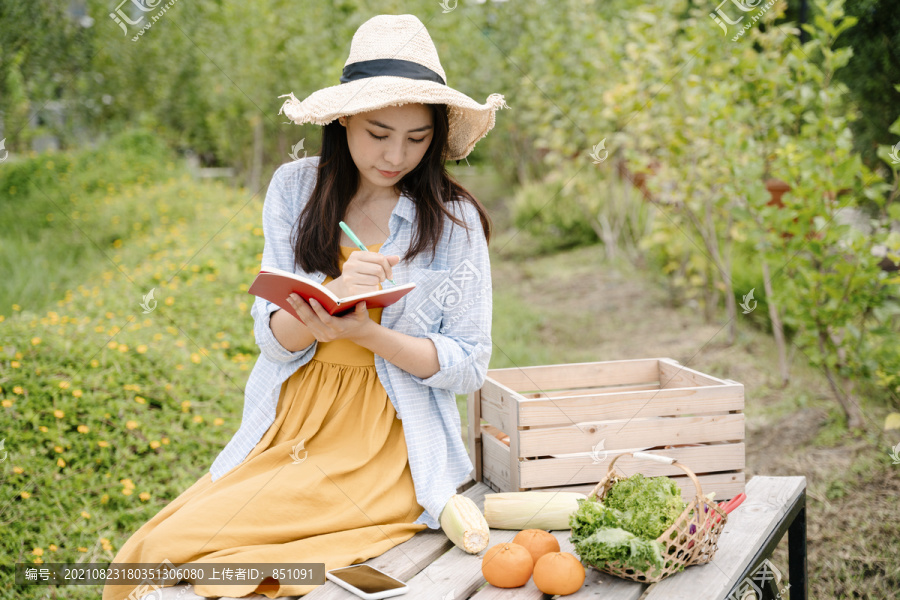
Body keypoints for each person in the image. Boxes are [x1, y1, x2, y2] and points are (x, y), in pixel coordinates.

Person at [102, 13, 508, 600]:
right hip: (292, 422)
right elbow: (274, 338)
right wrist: (336, 293)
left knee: (244, 566)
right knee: (149, 555)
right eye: (378, 133)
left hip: (387, 441)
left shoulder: (453, 221)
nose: (396, 154)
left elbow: (469, 364)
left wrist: (370, 335)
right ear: (343, 119)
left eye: (417, 138)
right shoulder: (295, 189)